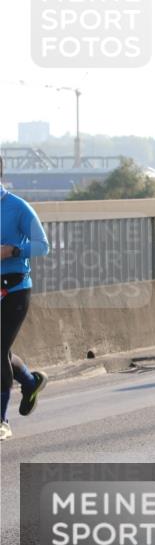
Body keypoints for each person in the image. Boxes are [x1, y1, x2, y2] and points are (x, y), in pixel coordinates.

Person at [1, 158, 51, 441]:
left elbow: (43, 246)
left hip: (15, 289)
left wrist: (12, 251)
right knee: (1, 352)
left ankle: (1, 421)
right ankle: (31, 382)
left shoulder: (16, 206)